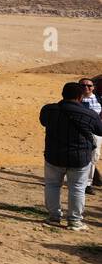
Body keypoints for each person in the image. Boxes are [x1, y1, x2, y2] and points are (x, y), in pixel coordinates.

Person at [39, 81, 102, 231]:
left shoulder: (49, 110)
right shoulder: (89, 114)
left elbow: (43, 122)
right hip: (79, 158)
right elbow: (100, 131)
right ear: (80, 96)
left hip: (54, 156)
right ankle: (74, 221)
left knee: (52, 185)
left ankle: (54, 217)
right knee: (78, 188)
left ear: (62, 94)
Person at [80, 79, 102, 186]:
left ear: (93, 87)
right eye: (83, 85)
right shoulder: (75, 99)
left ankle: (88, 184)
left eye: (89, 85)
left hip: (96, 132)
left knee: (94, 156)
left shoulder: (99, 99)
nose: (86, 87)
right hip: (79, 132)